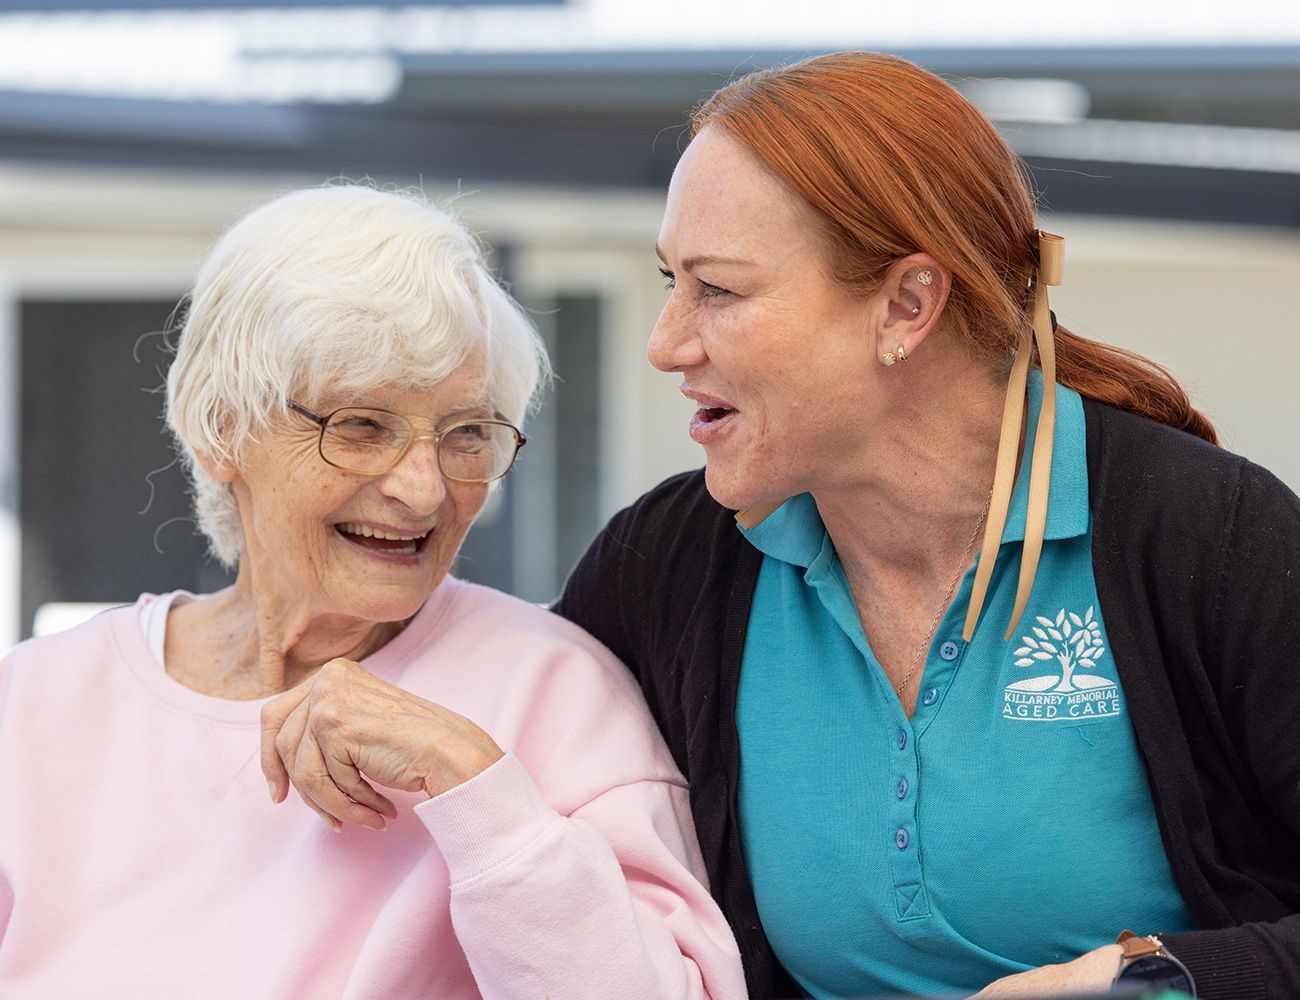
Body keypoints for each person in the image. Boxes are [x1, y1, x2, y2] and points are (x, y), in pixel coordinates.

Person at [556, 52, 1300, 999]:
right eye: (670, 280)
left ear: (908, 304)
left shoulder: (1209, 537)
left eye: (720, 290)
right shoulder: (665, 564)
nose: (667, 342)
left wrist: (1146, 982)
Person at [0, 185, 746, 999]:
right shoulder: (36, 703)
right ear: (220, 428)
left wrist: (476, 788)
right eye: (360, 426)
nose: (424, 491)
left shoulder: (558, 692)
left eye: (466, 433)